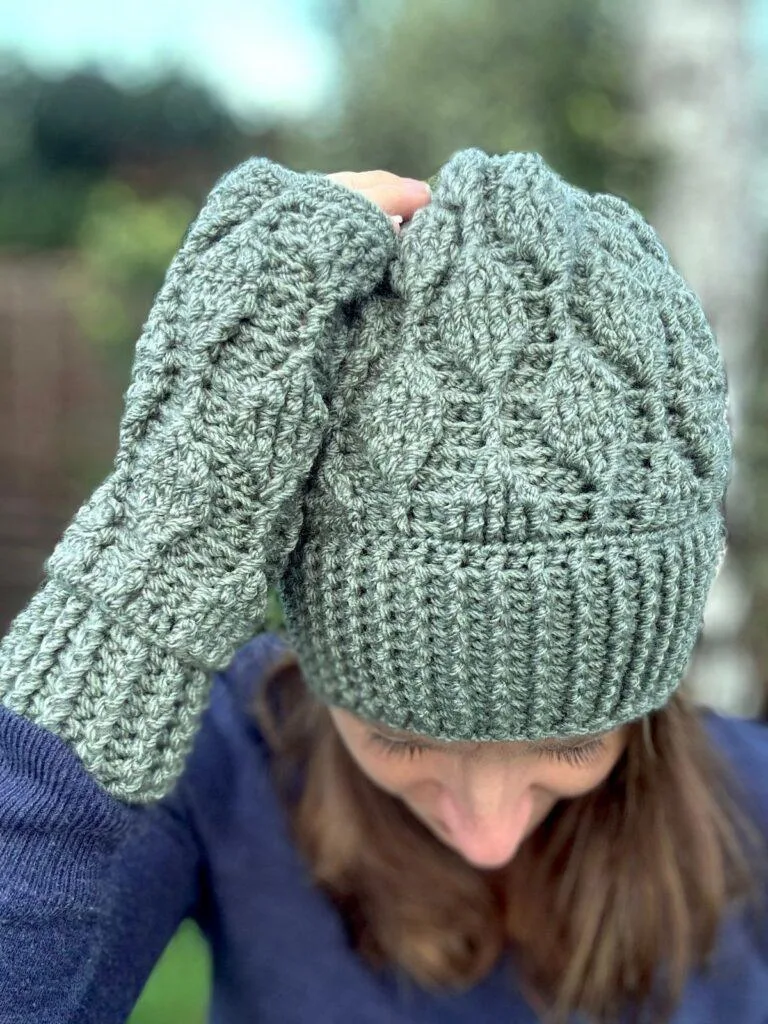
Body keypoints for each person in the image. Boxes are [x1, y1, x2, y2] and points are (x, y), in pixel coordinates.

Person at [0, 148, 766, 1024]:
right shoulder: (224, 762)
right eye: (400, 738)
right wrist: (152, 553)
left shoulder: (756, 809)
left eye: (572, 743)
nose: (487, 833)